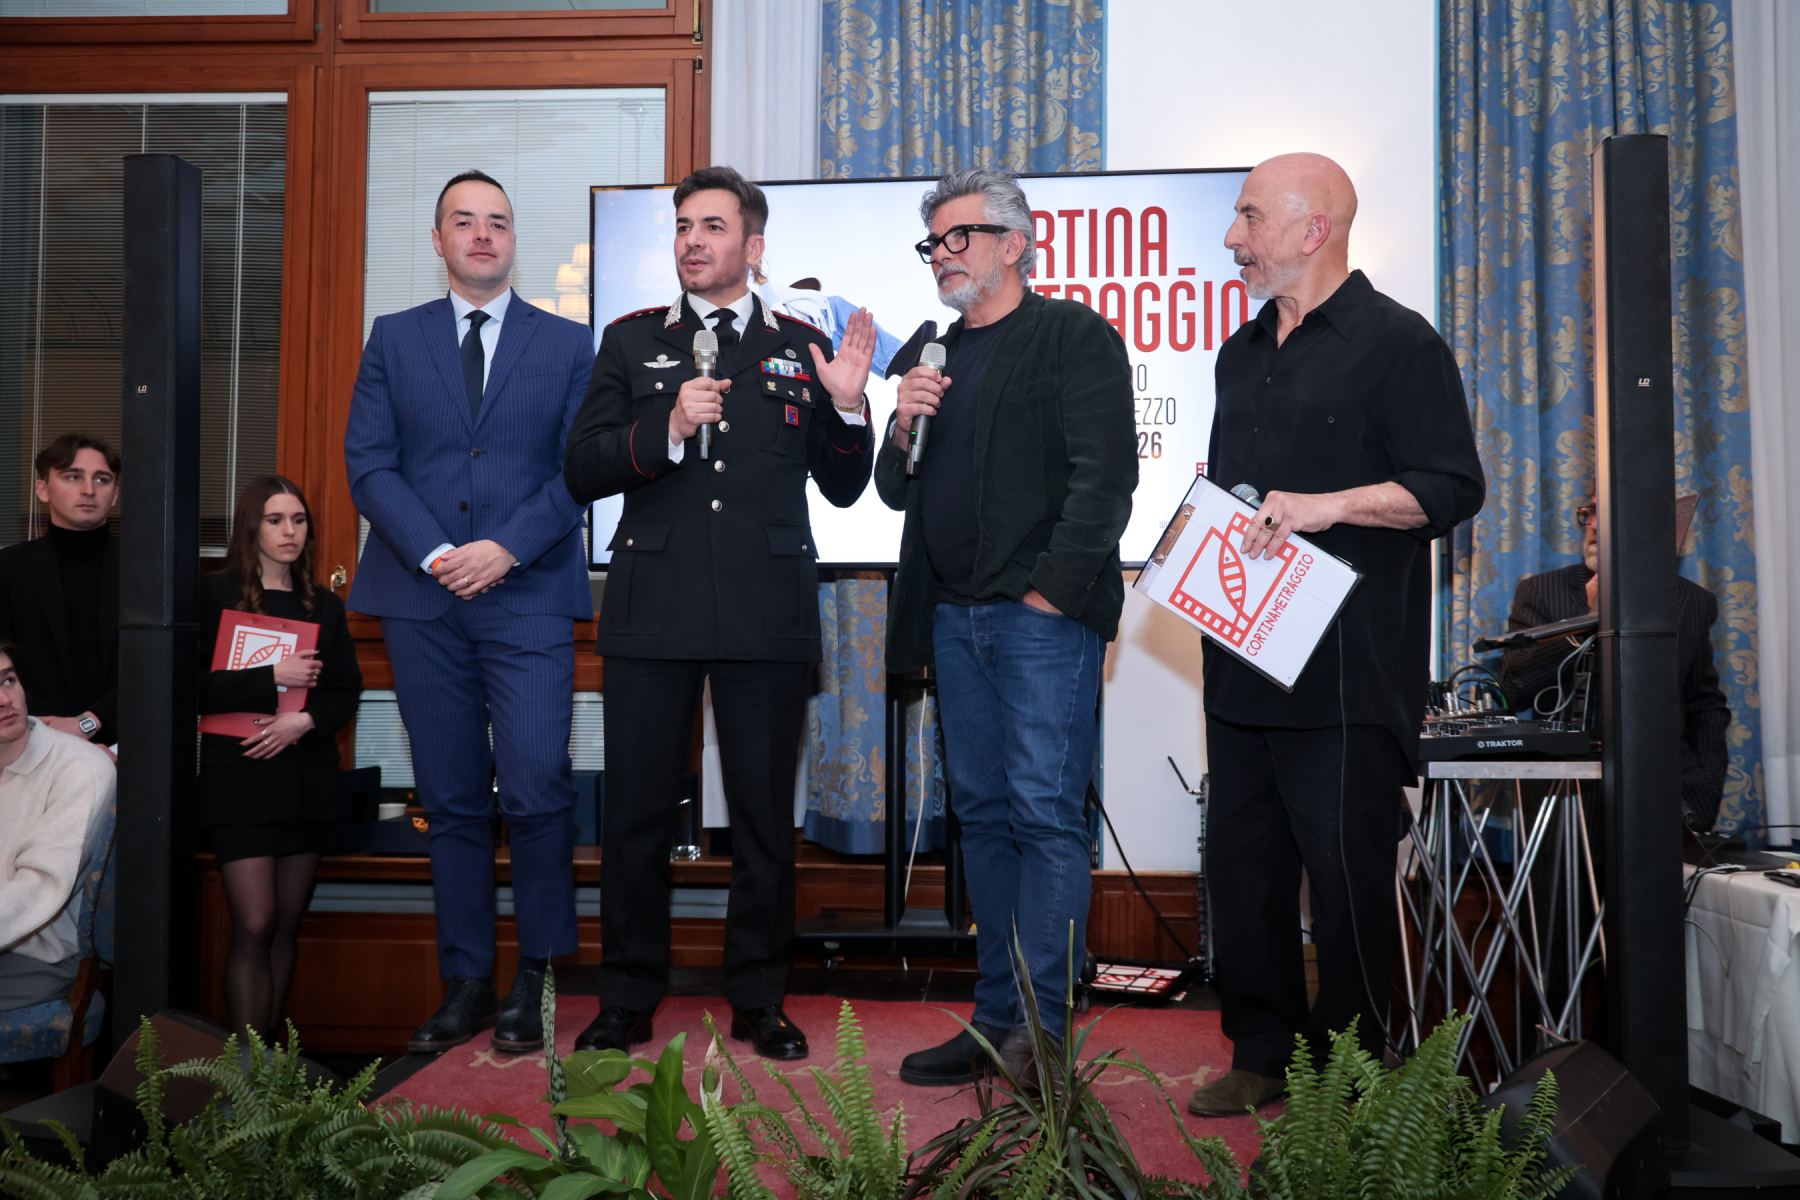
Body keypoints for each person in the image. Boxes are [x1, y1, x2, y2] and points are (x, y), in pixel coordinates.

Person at [1188, 153, 1485, 1117]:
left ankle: (1353, 1070)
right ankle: (1261, 1051)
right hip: (1241, 658)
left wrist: (1329, 506)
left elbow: (1451, 488)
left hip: (1347, 675)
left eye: (1249, 217)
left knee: (1348, 882)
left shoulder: (1399, 343)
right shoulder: (1238, 353)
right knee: (1244, 873)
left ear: (1312, 229)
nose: (1232, 237)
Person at [563, 165, 875, 1061]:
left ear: (754, 244)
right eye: (683, 227)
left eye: (712, 226)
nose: (693, 241)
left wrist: (848, 404)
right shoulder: (632, 341)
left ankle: (759, 999)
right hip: (654, 608)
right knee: (634, 819)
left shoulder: (800, 343)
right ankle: (626, 998)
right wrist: (663, 429)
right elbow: (581, 468)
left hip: (764, 612)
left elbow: (845, 486)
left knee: (764, 822)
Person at [878, 168, 1138, 1087]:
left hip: (1039, 624)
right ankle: (995, 1021)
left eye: (961, 238)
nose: (942, 256)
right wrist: (901, 421)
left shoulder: (1071, 335)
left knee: (1043, 814)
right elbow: (895, 489)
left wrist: (1049, 596)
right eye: (933, 243)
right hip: (953, 619)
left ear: (1016, 243)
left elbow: (1106, 478)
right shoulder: (935, 352)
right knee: (981, 819)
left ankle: (1045, 1032)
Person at [345, 169, 595, 1055]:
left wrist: (505, 549)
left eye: (498, 221)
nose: (483, 234)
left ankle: (538, 976)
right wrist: (437, 554)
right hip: (421, 597)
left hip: (527, 593)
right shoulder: (394, 337)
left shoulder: (569, 343)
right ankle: (466, 983)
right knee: (449, 799)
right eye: (465, 221)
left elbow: (580, 470)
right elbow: (369, 463)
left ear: (513, 239)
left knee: (535, 787)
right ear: (439, 239)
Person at [197, 477, 361, 1043]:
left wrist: (304, 721)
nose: (289, 531)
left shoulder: (326, 606)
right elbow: (189, 687)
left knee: (287, 922)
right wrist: (272, 676)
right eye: (275, 520)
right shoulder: (213, 595)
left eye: (298, 520)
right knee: (255, 920)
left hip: (304, 778)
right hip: (238, 780)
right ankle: (243, 1071)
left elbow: (345, 691)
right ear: (251, 528)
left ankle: (272, 1069)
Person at [1498, 496, 1730, 831]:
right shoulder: (1541, 591)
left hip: (1666, 796)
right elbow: (1514, 688)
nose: (1593, 525)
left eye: (1605, 513)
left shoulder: (1693, 601)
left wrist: (1705, 786)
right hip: (1566, 800)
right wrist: (1590, 620)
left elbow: (1704, 704)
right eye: (1589, 513)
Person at [0, 641, 115, 1010]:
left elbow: (38, 888)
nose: (5, 699)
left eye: (8, 680)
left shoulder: (80, 769)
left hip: (39, 956)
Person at [0, 435, 121, 748]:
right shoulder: (9, 568)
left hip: (131, 743)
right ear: (42, 489)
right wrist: (53, 730)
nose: (89, 490)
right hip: (30, 741)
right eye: (72, 477)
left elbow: (162, 665)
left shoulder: (148, 568)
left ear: (116, 494)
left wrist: (90, 722)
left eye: (102, 479)